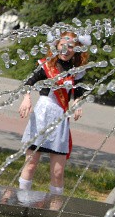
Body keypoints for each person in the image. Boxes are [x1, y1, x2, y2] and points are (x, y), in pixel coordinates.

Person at [18, 31, 90, 197]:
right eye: (62, 46)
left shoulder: (76, 72)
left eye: (71, 46)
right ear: (56, 46)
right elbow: (28, 83)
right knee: (30, 164)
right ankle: (21, 200)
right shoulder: (46, 65)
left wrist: (78, 103)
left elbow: (77, 93)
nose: (66, 50)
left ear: (76, 49)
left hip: (60, 119)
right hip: (43, 114)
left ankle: (54, 208)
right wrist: (27, 98)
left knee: (58, 173)